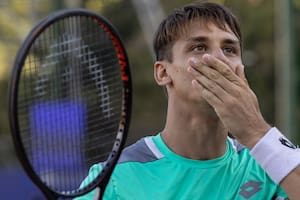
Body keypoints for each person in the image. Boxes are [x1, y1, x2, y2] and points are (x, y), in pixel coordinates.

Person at [76, 1, 300, 199]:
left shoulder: (275, 167)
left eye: (230, 49)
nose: (219, 59)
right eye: (199, 47)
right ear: (163, 73)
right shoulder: (114, 180)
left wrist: (255, 132)